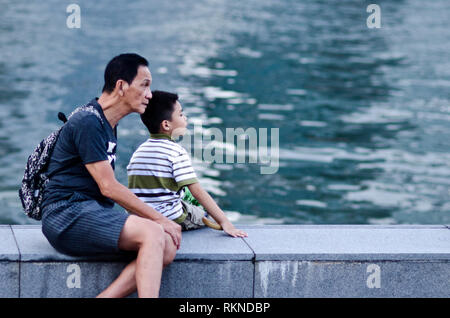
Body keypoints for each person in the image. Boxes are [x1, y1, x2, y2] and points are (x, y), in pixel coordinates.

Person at [41, 53, 181, 298]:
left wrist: (160, 224)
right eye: (145, 85)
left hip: (89, 211)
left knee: (167, 246)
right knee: (155, 232)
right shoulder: (88, 122)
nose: (150, 94)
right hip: (65, 214)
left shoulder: (107, 123)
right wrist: (161, 219)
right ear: (121, 86)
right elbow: (108, 187)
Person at [127, 90, 247, 238]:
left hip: (141, 218)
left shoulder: (139, 152)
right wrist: (224, 222)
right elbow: (198, 191)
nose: (186, 118)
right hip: (171, 218)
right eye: (181, 114)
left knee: (181, 191)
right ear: (166, 124)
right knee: (202, 212)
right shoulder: (176, 152)